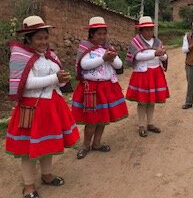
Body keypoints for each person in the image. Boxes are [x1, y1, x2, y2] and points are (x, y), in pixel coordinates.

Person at [6, 16, 79, 198]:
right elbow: (26, 83)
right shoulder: (19, 57)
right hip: (32, 109)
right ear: (28, 39)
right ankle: (28, 185)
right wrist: (55, 78)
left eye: (46, 38)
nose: (43, 42)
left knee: (49, 143)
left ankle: (46, 175)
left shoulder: (50, 57)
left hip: (52, 107)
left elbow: (57, 84)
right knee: (29, 150)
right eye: (39, 38)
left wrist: (62, 81)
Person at [72, 16, 128, 159]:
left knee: (103, 118)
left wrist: (112, 58)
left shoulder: (108, 48)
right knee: (92, 119)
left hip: (106, 87)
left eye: (104, 34)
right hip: (91, 88)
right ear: (92, 34)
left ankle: (96, 143)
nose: (102, 37)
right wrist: (103, 59)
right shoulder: (86, 47)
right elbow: (84, 65)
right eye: (99, 34)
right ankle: (85, 145)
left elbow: (119, 65)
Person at [126, 16, 169, 137]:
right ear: (141, 30)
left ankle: (150, 123)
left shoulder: (157, 42)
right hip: (143, 74)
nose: (149, 32)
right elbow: (137, 57)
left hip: (156, 73)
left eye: (151, 29)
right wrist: (155, 53)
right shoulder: (136, 42)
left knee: (152, 100)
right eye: (146, 30)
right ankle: (141, 125)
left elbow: (163, 57)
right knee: (142, 100)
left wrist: (162, 55)